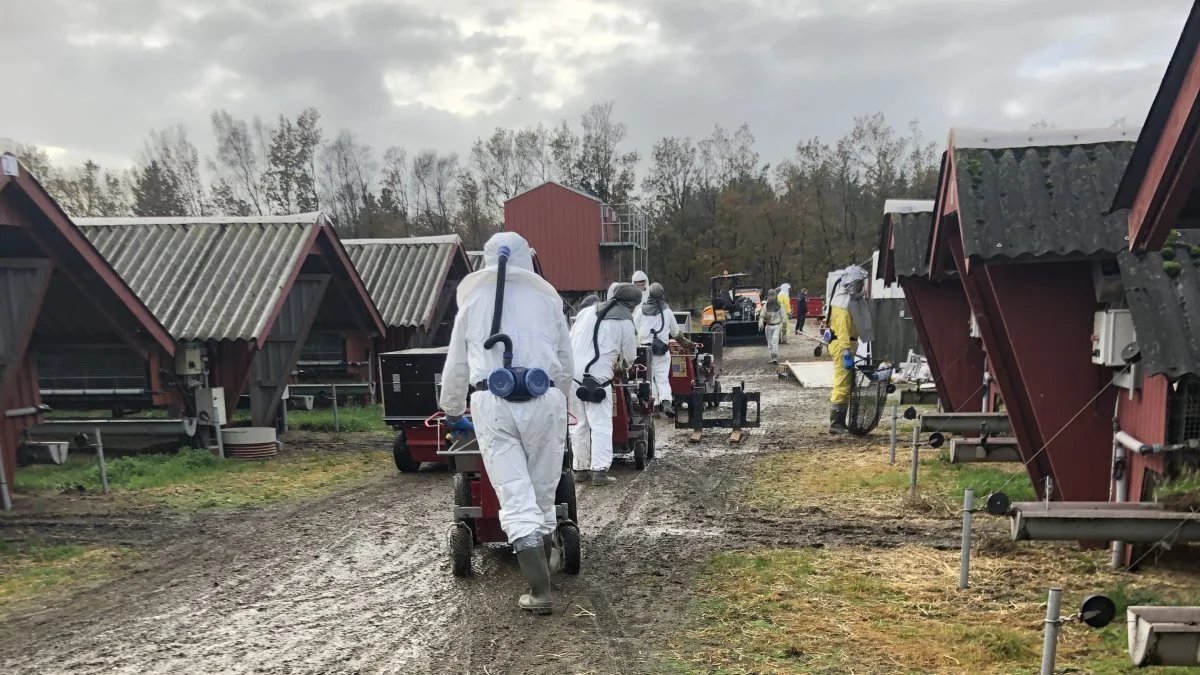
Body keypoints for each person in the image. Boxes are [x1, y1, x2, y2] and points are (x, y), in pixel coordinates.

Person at [439, 231, 573, 615]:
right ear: (527, 260)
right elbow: (564, 360)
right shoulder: (548, 300)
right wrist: (559, 401)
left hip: (492, 403)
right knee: (543, 489)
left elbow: (457, 365)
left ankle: (539, 590)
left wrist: (451, 409)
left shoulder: (473, 302)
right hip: (544, 396)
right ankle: (544, 570)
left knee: (515, 493)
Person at [569, 283, 639, 486]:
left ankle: (580, 469)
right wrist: (623, 367)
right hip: (598, 380)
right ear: (631, 304)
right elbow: (629, 355)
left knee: (579, 424)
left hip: (574, 376)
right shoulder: (625, 321)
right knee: (600, 425)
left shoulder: (587, 312)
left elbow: (571, 339)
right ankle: (599, 471)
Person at [634, 282, 693, 416]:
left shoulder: (640, 311)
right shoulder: (667, 311)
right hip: (662, 350)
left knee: (648, 379)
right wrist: (688, 344)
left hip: (644, 350)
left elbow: (635, 329)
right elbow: (676, 333)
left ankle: (653, 405)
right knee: (662, 378)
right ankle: (666, 402)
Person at [826, 265, 870, 435]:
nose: (861, 286)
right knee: (842, 383)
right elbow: (843, 330)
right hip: (842, 346)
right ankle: (836, 422)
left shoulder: (845, 300)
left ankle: (840, 421)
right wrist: (845, 351)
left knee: (846, 383)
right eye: (859, 283)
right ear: (851, 283)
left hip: (847, 344)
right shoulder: (842, 305)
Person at [758, 289, 784, 364]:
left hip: (777, 325)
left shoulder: (780, 305)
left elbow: (783, 317)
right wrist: (761, 323)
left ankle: (775, 356)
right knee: (769, 342)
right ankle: (772, 357)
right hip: (768, 326)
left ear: (776, 296)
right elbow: (762, 315)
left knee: (775, 340)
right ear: (768, 296)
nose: (772, 297)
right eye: (770, 295)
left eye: (773, 295)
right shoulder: (766, 306)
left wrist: (784, 327)